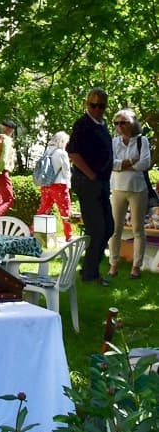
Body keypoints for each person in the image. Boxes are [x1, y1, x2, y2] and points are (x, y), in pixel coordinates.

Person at [67, 87, 114, 286]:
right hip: (88, 183)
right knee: (97, 228)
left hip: (101, 182)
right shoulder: (83, 124)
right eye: (93, 105)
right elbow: (73, 153)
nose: (97, 109)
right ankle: (90, 274)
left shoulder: (102, 125)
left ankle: (89, 266)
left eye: (101, 106)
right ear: (87, 104)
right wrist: (91, 175)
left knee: (108, 227)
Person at [108, 108, 151, 280]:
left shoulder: (142, 141)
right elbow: (110, 163)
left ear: (132, 123)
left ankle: (136, 267)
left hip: (138, 189)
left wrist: (122, 166)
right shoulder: (113, 142)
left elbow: (145, 163)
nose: (120, 126)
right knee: (115, 229)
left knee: (138, 230)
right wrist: (130, 162)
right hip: (117, 188)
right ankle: (113, 264)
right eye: (117, 123)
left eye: (123, 122)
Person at [34, 131, 73, 242]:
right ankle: (68, 235)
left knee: (43, 209)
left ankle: (34, 232)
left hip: (46, 184)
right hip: (60, 185)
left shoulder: (47, 151)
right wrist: (68, 186)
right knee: (65, 211)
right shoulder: (62, 153)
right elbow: (66, 171)